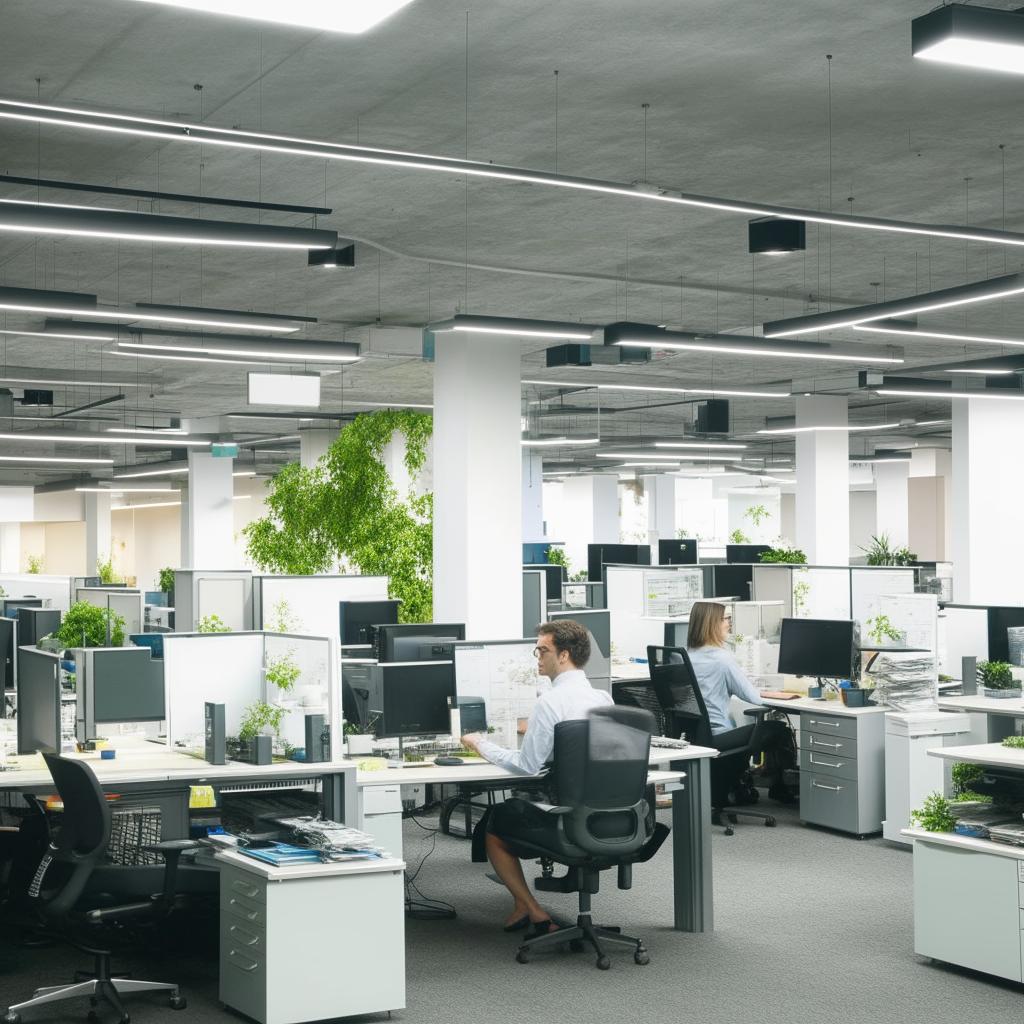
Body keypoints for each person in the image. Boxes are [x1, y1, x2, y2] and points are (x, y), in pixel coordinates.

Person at [461, 619, 611, 934]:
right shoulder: (603, 700)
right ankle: (522, 906)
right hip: (606, 818)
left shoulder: (550, 704)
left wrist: (480, 745)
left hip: (564, 819)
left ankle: (531, 908)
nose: (537, 657)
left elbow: (528, 765)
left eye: (543, 651)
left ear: (564, 655)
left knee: (494, 824)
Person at [685, 601, 794, 800]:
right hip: (718, 735)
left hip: (693, 736)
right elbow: (753, 698)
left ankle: (743, 782)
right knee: (780, 730)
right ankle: (781, 791)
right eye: (725, 619)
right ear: (712, 624)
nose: (728, 623)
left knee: (748, 723)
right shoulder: (721, 659)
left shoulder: (684, 657)